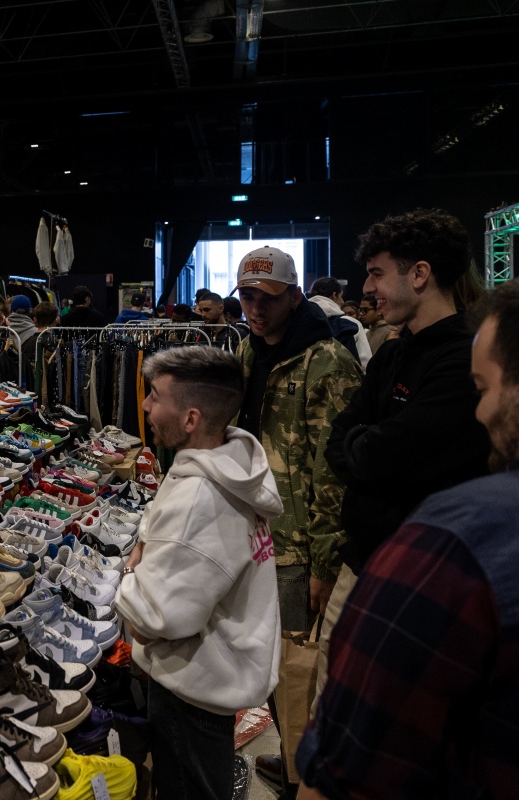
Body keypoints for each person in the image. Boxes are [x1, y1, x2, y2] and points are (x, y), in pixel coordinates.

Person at [296, 279, 519, 800]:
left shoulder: (459, 541)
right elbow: (351, 437)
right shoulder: (391, 354)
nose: (479, 414)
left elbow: (352, 765)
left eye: (483, 389)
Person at [116, 347, 283, 800]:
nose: (146, 406)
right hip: (215, 677)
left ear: (190, 419)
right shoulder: (232, 463)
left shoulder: (200, 501)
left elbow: (150, 623)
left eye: (154, 395)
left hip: (190, 690)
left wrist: (128, 576)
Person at [321, 209, 491, 643]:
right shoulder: (392, 355)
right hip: (362, 563)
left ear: (419, 274)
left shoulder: (463, 361)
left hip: (424, 577)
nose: (367, 288)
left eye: (377, 273)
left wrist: (366, 448)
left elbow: (383, 455)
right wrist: (368, 447)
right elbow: (339, 441)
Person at [235, 246, 361, 796]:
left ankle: (300, 776)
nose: (255, 308)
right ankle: (290, 760)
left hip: (298, 542)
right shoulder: (248, 351)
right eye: (246, 297)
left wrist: (324, 561)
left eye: (266, 298)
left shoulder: (326, 361)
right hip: (257, 532)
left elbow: (334, 471)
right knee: (269, 663)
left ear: (293, 296)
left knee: (298, 669)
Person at [308, 276, 371, 368]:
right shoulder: (351, 324)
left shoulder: (297, 322)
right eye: (341, 296)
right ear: (334, 295)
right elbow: (365, 363)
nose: (342, 301)